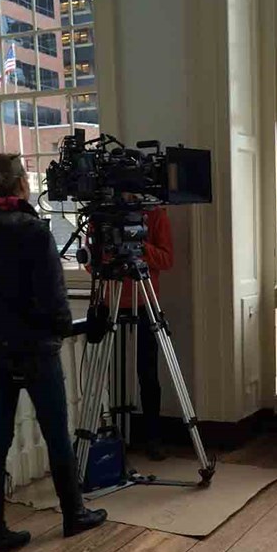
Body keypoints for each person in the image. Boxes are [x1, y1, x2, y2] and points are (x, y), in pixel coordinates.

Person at [0, 153, 107, 552]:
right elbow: (55, 300)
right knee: (56, 432)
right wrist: (60, 329)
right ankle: (74, 514)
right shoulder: (35, 232)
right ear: (21, 184)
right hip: (36, 347)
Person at [100, 197, 173, 460]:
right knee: (107, 370)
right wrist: (110, 249)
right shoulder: (102, 214)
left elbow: (166, 260)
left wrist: (138, 246)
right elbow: (91, 263)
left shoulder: (155, 215)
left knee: (148, 371)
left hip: (145, 301)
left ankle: (153, 436)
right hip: (112, 300)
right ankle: (110, 434)